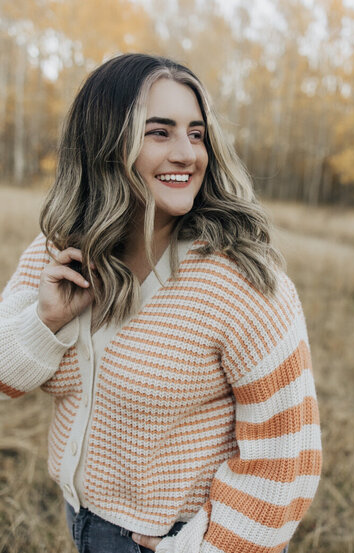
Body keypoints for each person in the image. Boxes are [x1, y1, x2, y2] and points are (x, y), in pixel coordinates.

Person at [0, 53, 322, 553]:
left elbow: (287, 459)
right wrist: (45, 322)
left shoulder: (242, 281)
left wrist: (198, 549)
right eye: (159, 132)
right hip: (81, 519)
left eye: (196, 134)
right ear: (104, 144)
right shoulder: (59, 249)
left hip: (177, 538)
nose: (187, 154)